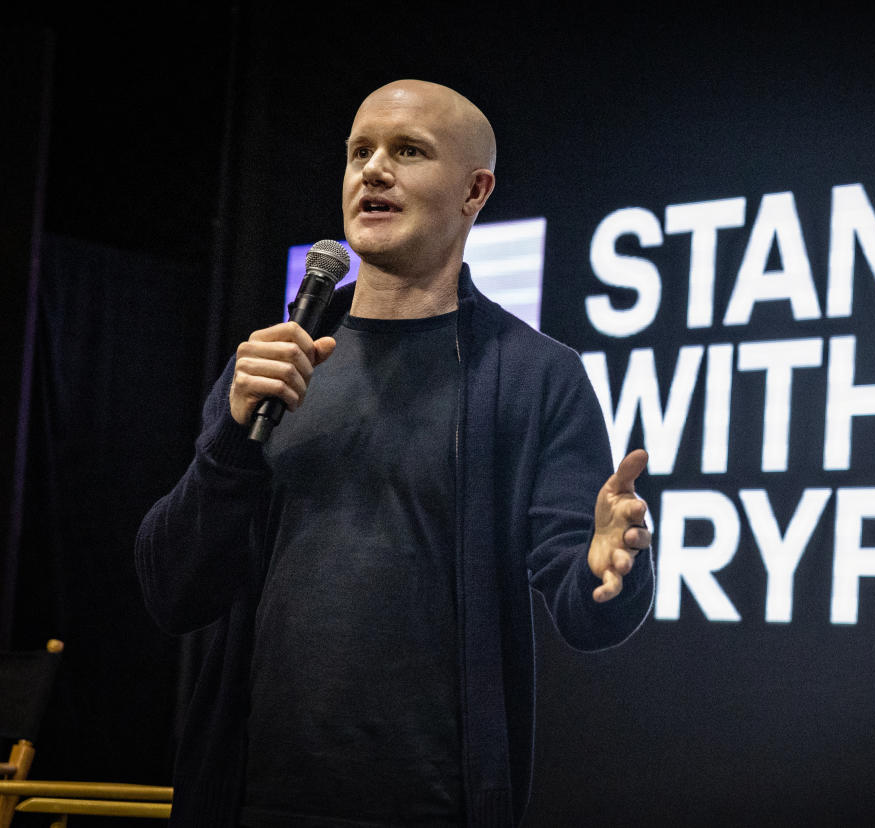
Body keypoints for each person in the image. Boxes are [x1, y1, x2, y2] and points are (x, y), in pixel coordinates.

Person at [135, 79, 654, 827]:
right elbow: (171, 590)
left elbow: (585, 609)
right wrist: (228, 445)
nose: (373, 170)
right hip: (250, 798)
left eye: (407, 151)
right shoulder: (274, 365)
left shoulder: (536, 375)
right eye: (359, 152)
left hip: (432, 807)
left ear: (475, 191)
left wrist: (614, 567)